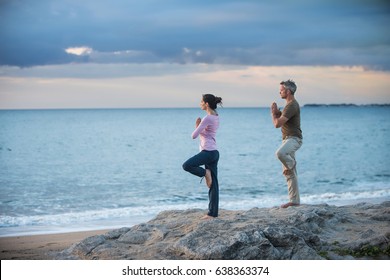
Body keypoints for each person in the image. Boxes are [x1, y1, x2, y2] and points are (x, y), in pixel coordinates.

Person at [182, 94, 222, 219]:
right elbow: (206, 134)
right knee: (214, 185)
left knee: (187, 165)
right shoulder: (215, 116)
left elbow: (193, 135)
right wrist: (201, 127)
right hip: (214, 152)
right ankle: (212, 213)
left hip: (208, 152)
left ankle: (205, 173)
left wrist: (197, 126)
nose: (200, 103)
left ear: (207, 104)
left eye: (201, 102)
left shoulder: (207, 118)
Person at [271, 79, 303, 208]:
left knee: (280, 153)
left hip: (294, 139)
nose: (279, 92)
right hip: (288, 139)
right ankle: (294, 201)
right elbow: (284, 119)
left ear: (288, 91)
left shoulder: (291, 105)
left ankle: (291, 163)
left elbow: (277, 124)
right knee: (289, 173)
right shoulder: (289, 105)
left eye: (282, 90)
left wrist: (273, 114)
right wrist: (278, 113)